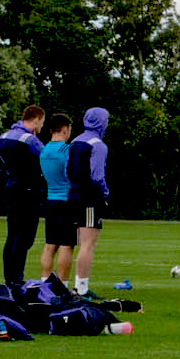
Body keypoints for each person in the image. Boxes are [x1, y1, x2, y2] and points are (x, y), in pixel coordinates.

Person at [0, 105, 48, 284]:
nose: (41, 126)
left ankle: (9, 278)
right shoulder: (30, 140)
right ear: (35, 120)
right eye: (41, 122)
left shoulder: (5, 136)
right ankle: (17, 278)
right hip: (28, 191)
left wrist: (3, 170)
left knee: (12, 235)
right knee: (25, 236)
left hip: (11, 187)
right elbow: (47, 158)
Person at [69, 105, 113, 293]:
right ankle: (82, 287)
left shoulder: (75, 141)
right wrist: (105, 192)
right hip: (89, 198)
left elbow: (67, 169)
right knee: (88, 244)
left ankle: (77, 285)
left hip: (74, 194)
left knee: (78, 243)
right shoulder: (98, 145)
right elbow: (97, 175)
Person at [37, 114, 78, 284]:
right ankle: (63, 286)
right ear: (66, 128)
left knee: (49, 245)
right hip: (66, 200)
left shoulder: (43, 150)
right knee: (66, 245)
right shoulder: (67, 151)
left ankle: (44, 283)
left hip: (50, 199)